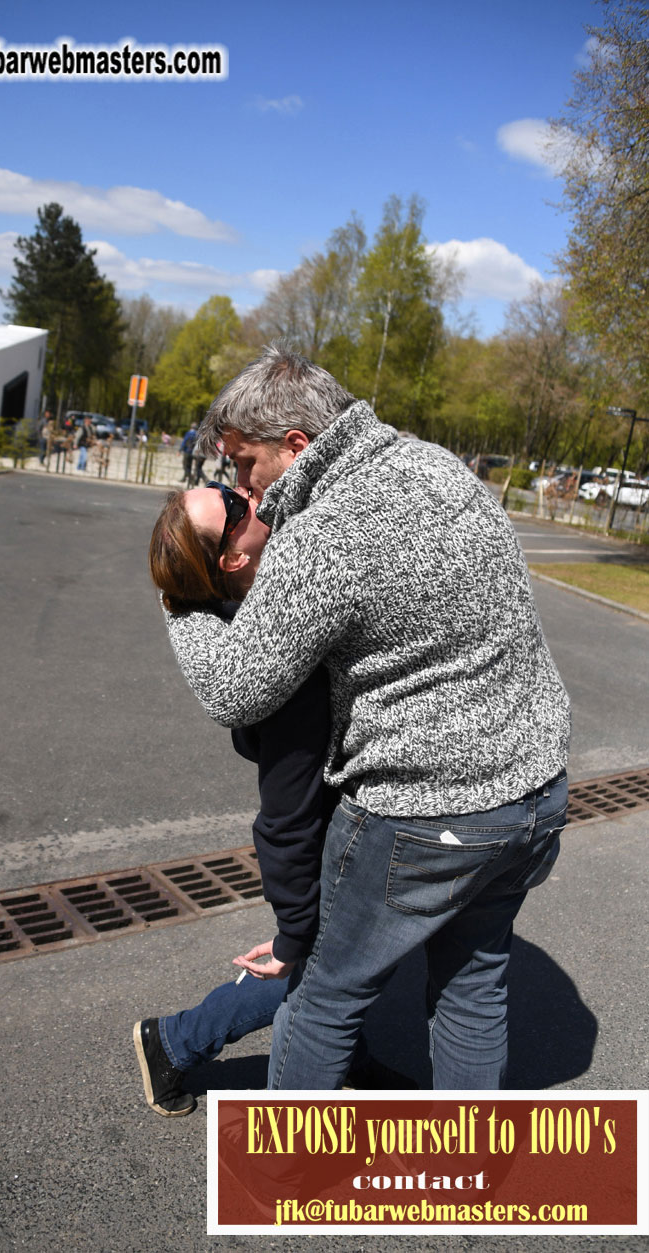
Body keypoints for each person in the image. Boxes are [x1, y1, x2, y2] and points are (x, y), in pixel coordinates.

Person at [162, 344, 571, 1092]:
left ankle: (292, 1158)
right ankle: (469, 1155)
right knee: (473, 986)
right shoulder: (438, 465)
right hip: (535, 791)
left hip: (427, 811)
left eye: (245, 465)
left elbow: (234, 692)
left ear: (295, 446)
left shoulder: (324, 533)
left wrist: (177, 598)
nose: (243, 487)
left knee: (325, 997)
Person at [136, 482, 412, 1116]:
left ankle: (344, 1055)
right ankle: (175, 1042)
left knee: (359, 958)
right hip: (338, 831)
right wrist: (293, 928)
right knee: (328, 965)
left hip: (359, 816)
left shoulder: (277, 589)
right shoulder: (279, 656)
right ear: (233, 557)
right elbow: (285, 816)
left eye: (228, 483)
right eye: (233, 505)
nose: (245, 492)